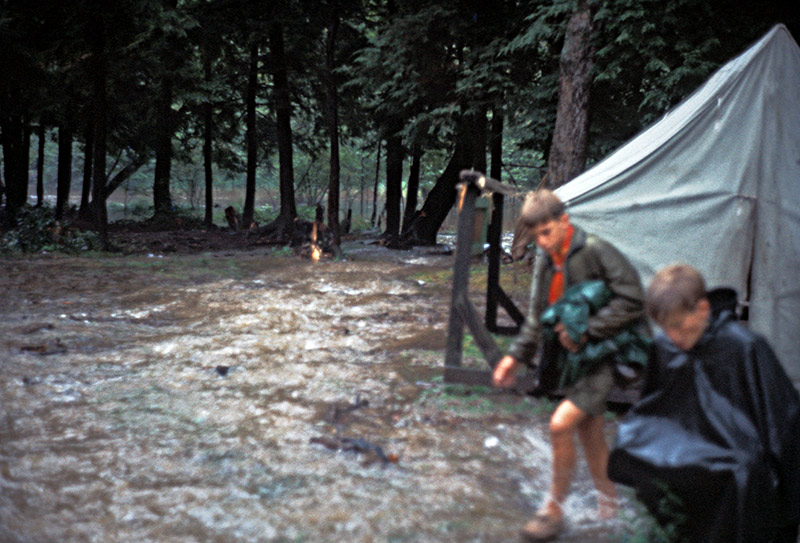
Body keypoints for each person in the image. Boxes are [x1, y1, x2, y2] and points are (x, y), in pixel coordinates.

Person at [492, 189, 647, 542]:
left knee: (561, 424)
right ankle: (610, 507)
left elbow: (633, 296)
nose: (542, 242)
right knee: (590, 430)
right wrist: (513, 357)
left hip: (606, 352)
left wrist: (589, 328)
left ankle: (553, 510)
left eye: (547, 233)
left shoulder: (594, 249)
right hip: (577, 357)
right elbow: (536, 317)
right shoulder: (547, 261)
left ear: (564, 221)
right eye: (536, 237)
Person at [608, 263, 800, 543]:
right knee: (631, 443)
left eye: (678, 326)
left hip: (735, 456)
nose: (674, 337)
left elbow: (783, 425)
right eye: (665, 329)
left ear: (702, 309)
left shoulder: (744, 347)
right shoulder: (666, 347)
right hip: (688, 443)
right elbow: (654, 407)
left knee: (743, 476)